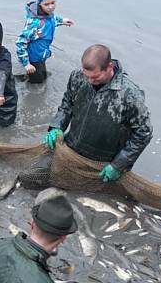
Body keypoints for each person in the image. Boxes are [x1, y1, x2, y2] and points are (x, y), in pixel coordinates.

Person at [44, 44, 152, 183]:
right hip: (72, 149)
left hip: (104, 162)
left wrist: (118, 165)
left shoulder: (130, 94)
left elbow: (144, 133)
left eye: (95, 77)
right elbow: (67, 104)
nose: (89, 81)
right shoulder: (77, 76)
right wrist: (57, 126)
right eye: (86, 76)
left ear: (109, 67)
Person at [15, 0, 73, 83]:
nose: (51, 7)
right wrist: (26, 64)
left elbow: (52, 20)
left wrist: (62, 21)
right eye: (46, 4)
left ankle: (28, 77)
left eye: (53, 3)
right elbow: (20, 42)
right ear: (40, 4)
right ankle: (24, 79)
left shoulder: (48, 14)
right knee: (38, 84)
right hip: (34, 59)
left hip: (42, 54)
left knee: (43, 75)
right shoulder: (35, 23)